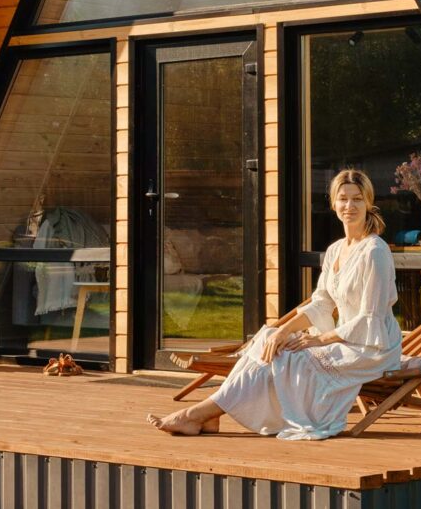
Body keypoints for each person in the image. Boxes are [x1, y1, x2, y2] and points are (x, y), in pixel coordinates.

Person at [147, 168, 403, 440]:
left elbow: (369, 319)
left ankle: (198, 414)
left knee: (292, 356)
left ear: (368, 203)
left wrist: (320, 340)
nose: (349, 206)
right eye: (343, 199)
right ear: (333, 204)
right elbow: (322, 303)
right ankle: (206, 415)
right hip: (344, 339)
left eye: (357, 199)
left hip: (371, 347)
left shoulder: (375, 252)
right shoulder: (335, 250)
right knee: (270, 337)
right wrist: (283, 331)